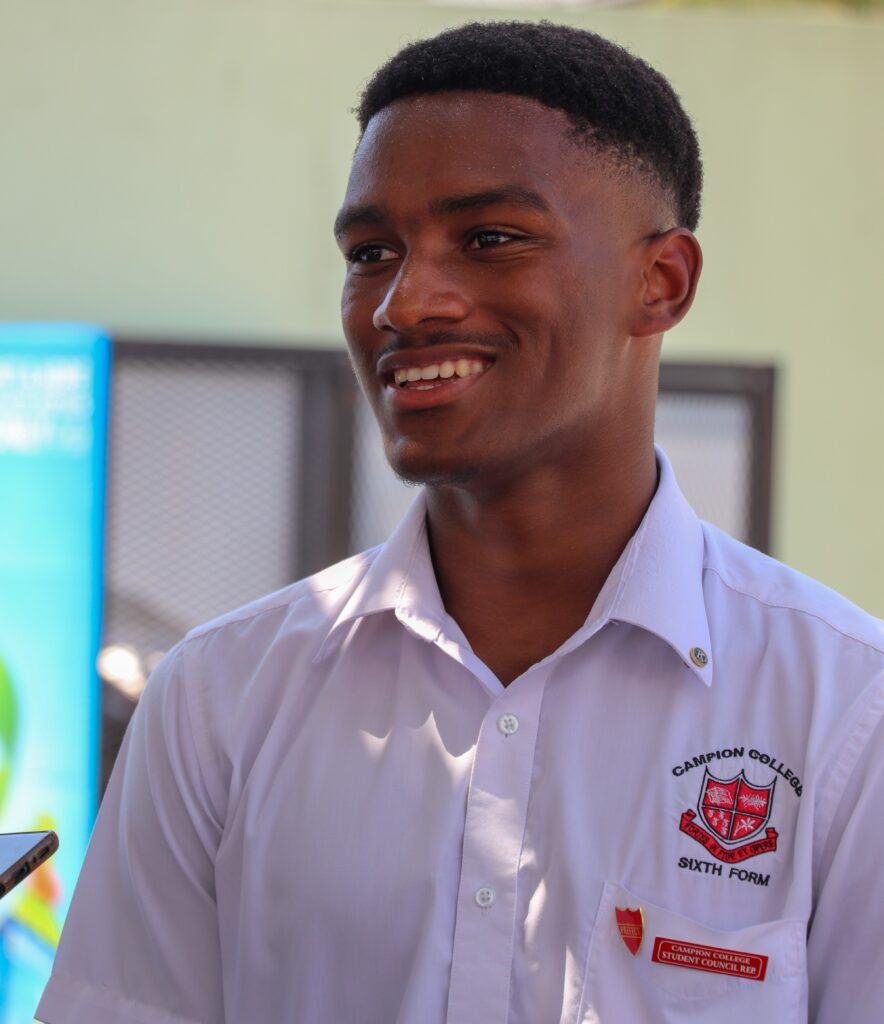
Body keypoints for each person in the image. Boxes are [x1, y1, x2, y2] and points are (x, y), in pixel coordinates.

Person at [37, 21, 883, 1024]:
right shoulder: (219, 701)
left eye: (488, 239)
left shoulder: (844, 716)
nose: (404, 301)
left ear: (661, 283)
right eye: (370, 252)